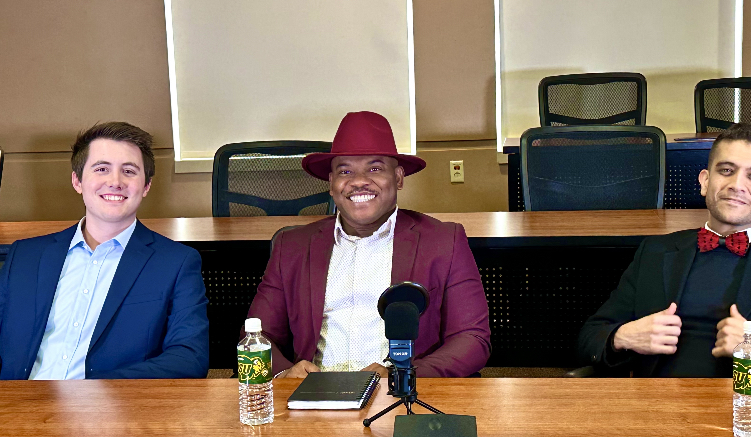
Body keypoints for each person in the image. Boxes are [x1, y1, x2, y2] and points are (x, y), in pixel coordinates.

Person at [247, 111, 491, 378]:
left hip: (400, 394)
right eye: (345, 171)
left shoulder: (444, 241)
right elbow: (258, 336)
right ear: (331, 184)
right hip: (313, 392)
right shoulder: (292, 246)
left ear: (398, 178)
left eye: (375, 169)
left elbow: (472, 338)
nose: (359, 181)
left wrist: (401, 375)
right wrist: (284, 375)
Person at [578, 123, 751, 378]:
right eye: (726, 170)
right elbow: (589, 338)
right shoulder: (655, 251)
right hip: (659, 400)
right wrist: (623, 337)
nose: (736, 185)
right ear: (705, 182)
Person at [0, 122, 209, 380]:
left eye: (129, 171)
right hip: (18, 401)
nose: (115, 182)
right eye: (101, 169)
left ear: (146, 186)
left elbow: (190, 357)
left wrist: (102, 390)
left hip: (112, 403)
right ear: (77, 181)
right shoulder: (25, 256)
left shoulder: (176, 263)